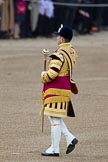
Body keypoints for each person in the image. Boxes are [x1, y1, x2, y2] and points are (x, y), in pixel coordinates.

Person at [40, 25, 78, 157]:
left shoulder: (59, 54)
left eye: (58, 36)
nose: (57, 38)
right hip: (65, 89)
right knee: (54, 116)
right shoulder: (72, 51)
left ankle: (54, 149)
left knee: (54, 119)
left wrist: (43, 75)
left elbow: (52, 74)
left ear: (62, 39)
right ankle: (70, 138)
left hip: (56, 91)